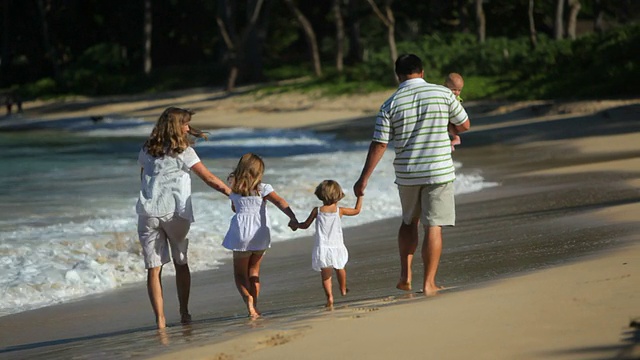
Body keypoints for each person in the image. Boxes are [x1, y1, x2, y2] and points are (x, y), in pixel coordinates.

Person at [354, 54, 471, 296]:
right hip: (438, 171)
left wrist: (363, 179)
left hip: (408, 173)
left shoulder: (389, 104)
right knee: (433, 225)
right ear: (423, 72)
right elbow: (464, 125)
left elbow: (379, 143)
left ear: (398, 75)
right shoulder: (443, 94)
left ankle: (405, 276)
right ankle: (429, 284)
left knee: (409, 222)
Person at [136, 106, 231, 329]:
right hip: (175, 212)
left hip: (148, 212)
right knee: (180, 261)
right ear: (175, 126)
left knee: (153, 268)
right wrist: (232, 194)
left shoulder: (147, 148)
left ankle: (160, 321)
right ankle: (184, 312)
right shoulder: (184, 151)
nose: (188, 127)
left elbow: (143, 175)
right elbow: (208, 178)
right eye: (184, 124)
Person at [222, 153, 298, 318]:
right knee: (254, 272)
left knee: (240, 274)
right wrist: (292, 217)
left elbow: (235, 209)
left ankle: (248, 300)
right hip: (260, 233)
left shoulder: (234, 188)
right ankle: (254, 306)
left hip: (241, 233)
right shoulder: (264, 188)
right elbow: (280, 202)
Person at [297, 180, 363, 307]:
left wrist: (295, 225)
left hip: (322, 247)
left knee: (325, 275)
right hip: (336, 246)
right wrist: (360, 196)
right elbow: (356, 211)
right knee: (340, 267)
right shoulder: (340, 211)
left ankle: (330, 298)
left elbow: (305, 225)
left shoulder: (317, 211)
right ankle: (343, 289)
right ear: (338, 195)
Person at [444, 73, 465, 151]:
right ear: (445, 86)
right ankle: (451, 143)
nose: (457, 92)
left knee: (449, 125)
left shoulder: (455, 97)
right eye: (454, 89)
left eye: (459, 90)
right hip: (449, 116)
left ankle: (456, 138)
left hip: (453, 117)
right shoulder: (444, 93)